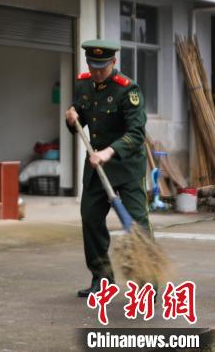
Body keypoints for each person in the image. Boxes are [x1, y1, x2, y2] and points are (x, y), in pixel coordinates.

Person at [65, 39, 150, 298]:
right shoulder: (83, 85)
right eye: (93, 66)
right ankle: (102, 280)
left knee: (136, 222)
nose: (98, 71)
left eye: (103, 66)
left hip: (125, 166)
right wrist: (71, 118)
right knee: (90, 218)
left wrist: (108, 152)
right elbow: (78, 116)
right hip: (96, 167)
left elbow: (137, 133)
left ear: (114, 62)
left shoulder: (127, 90)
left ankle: (147, 284)